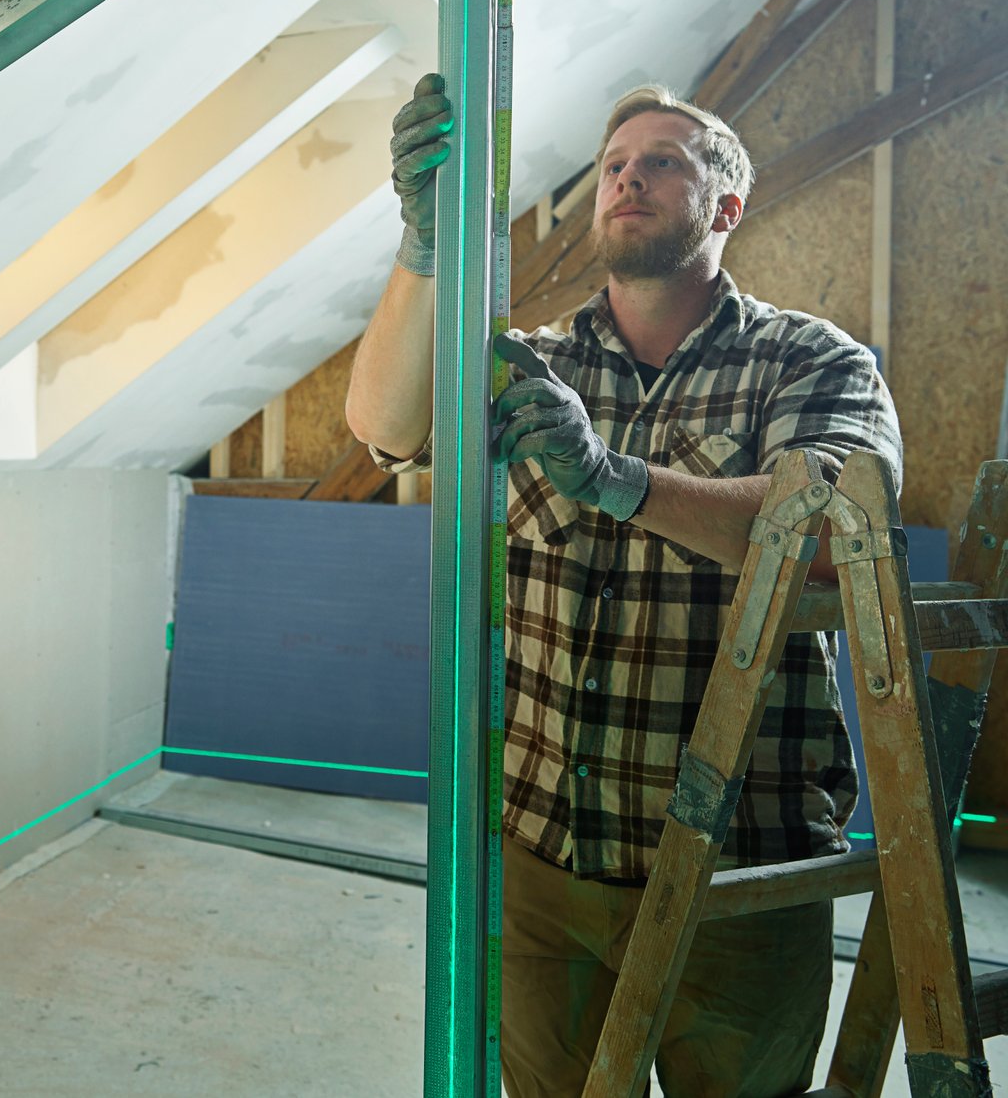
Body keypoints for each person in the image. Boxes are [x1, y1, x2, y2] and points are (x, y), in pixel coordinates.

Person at [345, 75, 903, 1097]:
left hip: (738, 880)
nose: (625, 178)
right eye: (610, 166)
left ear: (725, 206)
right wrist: (424, 254)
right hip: (544, 864)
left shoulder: (806, 360)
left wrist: (619, 480)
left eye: (660, 162)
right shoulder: (529, 365)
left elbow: (835, 537)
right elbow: (385, 427)